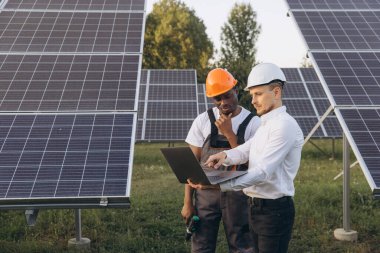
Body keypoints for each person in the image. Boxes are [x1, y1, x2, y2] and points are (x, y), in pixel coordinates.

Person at [188, 63, 304, 253]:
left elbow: (262, 172)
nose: (253, 101)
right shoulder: (268, 124)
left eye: (258, 94)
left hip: (274, 210)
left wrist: (219, 185)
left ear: (276, 92)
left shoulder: (284, 126)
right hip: (256, 208)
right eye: (252, 95)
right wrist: (223, 156)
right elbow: (245, 150)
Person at [182, 68, 261, 253]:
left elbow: (252, 164)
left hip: (238, 195)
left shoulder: (253, 123)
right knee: (201, 244)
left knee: (242, 245)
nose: (224, 103)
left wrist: (229, 133)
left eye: (227, 96)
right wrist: (187, 203)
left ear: (236, 89)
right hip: (206, 195)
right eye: (218, 99)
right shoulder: (202, 121)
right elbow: (191, 166)